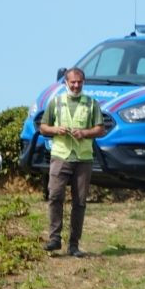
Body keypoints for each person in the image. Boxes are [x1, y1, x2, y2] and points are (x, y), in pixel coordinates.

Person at [39, 67, 106, 257]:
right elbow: (43, 127)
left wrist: (84, 133)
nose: (76, 85)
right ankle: (54, 239)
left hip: (83, 158)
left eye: (79, 82)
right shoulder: (56, 102)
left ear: (83, 82)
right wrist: (55, 130)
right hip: (60, 156)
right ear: (66, 83)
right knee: (55, 196)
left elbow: (100, 129)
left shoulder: (91, 104)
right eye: (73, 82)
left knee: (80, 202)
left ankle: (74, 245)